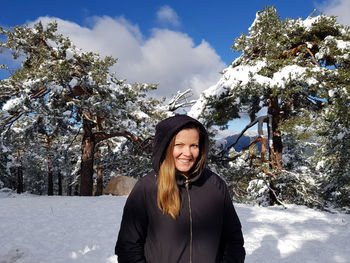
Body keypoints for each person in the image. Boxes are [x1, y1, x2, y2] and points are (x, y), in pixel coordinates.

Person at [115, 115, 245, 263]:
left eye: (194, 145)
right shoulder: (147, 188)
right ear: (166, 147)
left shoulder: (214, 185)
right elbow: (128, 247)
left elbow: (233, 239)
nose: (188, 153)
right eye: (179, 145)